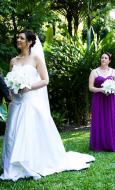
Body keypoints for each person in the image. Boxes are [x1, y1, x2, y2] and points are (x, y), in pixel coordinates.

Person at [0, 30, 95, 181]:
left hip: (30, 102)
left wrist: (28, 86)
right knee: (13, 134)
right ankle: (13, 165)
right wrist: (13, 90)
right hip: (16, 103)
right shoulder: (13, 61)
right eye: (17, 37)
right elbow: (9, 81)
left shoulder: (36, 58)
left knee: (28, 133)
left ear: (30, 42)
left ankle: (31, 163)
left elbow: (45, 80)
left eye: (21, 38)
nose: (18, 39)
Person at [89, 53, 115, 152]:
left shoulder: (113, 71)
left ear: (109, 60)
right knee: (99, 120)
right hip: (99, 99)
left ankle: (111, 144)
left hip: (111, 100)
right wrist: (101, 90)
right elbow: (90, 87)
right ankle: (99, 145)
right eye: (102, 57)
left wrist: (112, 89)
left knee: (111, 120)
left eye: (106, 58)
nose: (103, 59)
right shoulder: (94, 72)